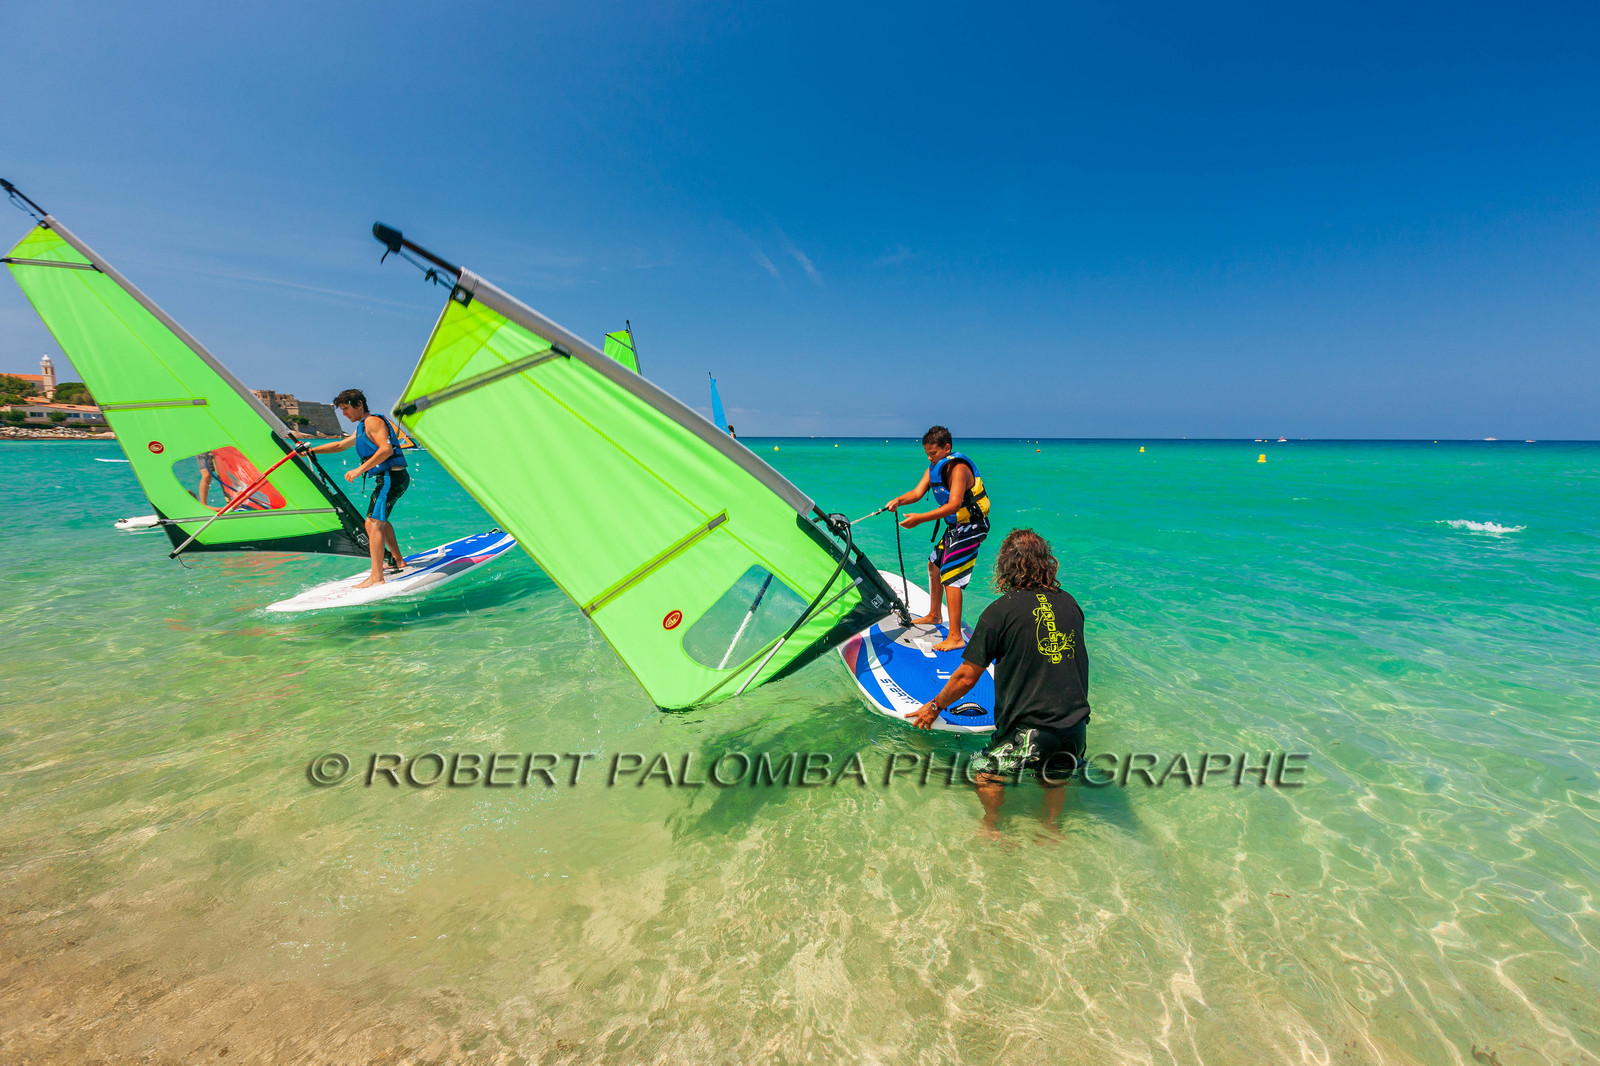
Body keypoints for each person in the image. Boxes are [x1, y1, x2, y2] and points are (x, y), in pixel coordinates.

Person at [907, 529, 1090, 839]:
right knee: (1054, 776)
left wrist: (935, 706)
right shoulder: (1071, 605)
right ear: (1046, 562)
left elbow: (967, 677)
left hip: (1030, 731)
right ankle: (1050, 826)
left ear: (1006, 565)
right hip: (1075, 728)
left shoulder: (1000, 612)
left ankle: (992, 826)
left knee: (986, 771)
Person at [883, 426, 992, 651]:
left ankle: (955, 636)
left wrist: (920, 519)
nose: (930, 457)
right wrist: (898, 501)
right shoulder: (933, 468)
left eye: (933, 453)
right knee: (934, 565)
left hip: (971, 527)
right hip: (955, 527)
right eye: (927, 454)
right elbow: (916, 493)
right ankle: (934, 614)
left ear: (947, 448)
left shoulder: (958, 469)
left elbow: (953, 504)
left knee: (951, 575)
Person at [304, 389, 408, 588]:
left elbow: (386, 450)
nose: (344, 414)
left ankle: (377, 577)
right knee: (380, 520)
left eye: (346, 408)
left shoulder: (372, 422)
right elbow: (341, 445)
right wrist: (309, 451)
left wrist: (359, 469)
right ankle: (398, 560)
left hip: (391, 477)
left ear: (359, 404)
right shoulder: (362, 427)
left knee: (372, 524)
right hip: (389, 478)